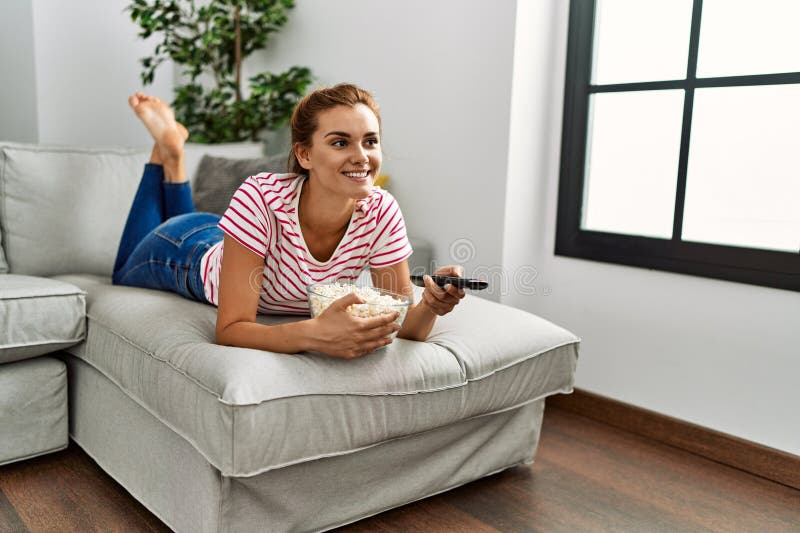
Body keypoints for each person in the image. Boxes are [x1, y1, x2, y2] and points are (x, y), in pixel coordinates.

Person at [113, 84, 466, 359]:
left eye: (370, 141)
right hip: (185, 252)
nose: (361, 156)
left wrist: (430, 304)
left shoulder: (381, 211)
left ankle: (172, 154)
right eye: (340, 142)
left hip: (232, 239)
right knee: (121, 272)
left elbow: (403, 323)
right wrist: (314, 334)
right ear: (305, 154)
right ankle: (170, 153)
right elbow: (231, 329)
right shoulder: (261, 196)